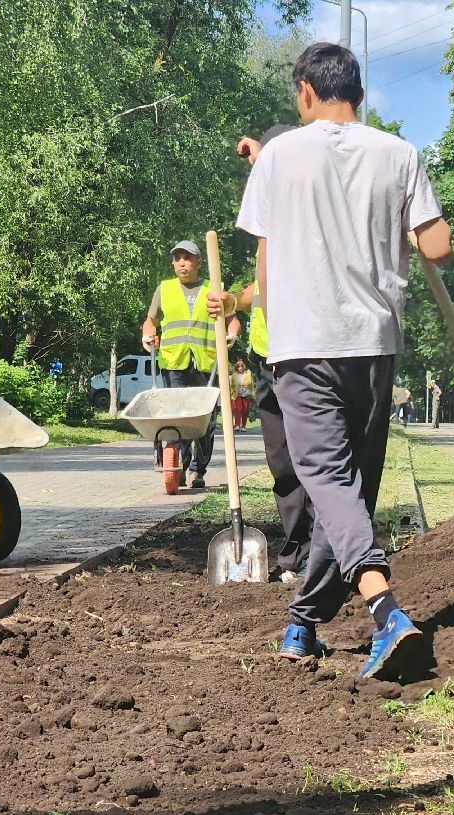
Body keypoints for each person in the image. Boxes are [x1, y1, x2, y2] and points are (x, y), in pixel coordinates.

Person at [228, 42, 453, 678]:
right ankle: (302, 624)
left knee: (326, 479)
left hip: (303, 345)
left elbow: (267, 262)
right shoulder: (400, 154)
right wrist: (407, 226)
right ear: (356, 90)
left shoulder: (278, 158)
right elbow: (437, 247)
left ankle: (385, 612)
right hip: (375, 346)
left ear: (305, 91)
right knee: (346, 490)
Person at [227, 121, 316, 584]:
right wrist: (232, 303)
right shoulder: (268, 222)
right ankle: (299, 550)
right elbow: (259, 286)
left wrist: (265, 157)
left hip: (305, 355)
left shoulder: (305, 212)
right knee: (282, 461)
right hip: (266, 356)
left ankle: (329, 552)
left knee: (314, 457)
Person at [141, 240, 218, 490]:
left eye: (187, 257)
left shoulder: (213, 288)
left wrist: (231, 334)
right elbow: (150, 320)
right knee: (178, 417)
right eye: (177, 258)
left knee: (205, 420)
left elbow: (233, 319)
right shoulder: (164, 289)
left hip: (206, 362)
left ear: (199, 262)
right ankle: (179, 468)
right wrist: (147, 334)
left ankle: (198, 468)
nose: (181, 262)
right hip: (174, 361)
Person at [231, 358, 254, 428]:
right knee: (237, 409)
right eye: (238, 366)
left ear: (243, 367)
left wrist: (253, 394)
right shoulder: (234, 375)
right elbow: (231, 385)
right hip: (236, 394)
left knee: (245, 409)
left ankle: (243, 426)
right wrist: (232, 392)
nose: (240, 368)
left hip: (246, 393)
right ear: (236, 368)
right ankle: (237, 425)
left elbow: (252, 385)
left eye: (241, 366)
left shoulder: (248, 374)